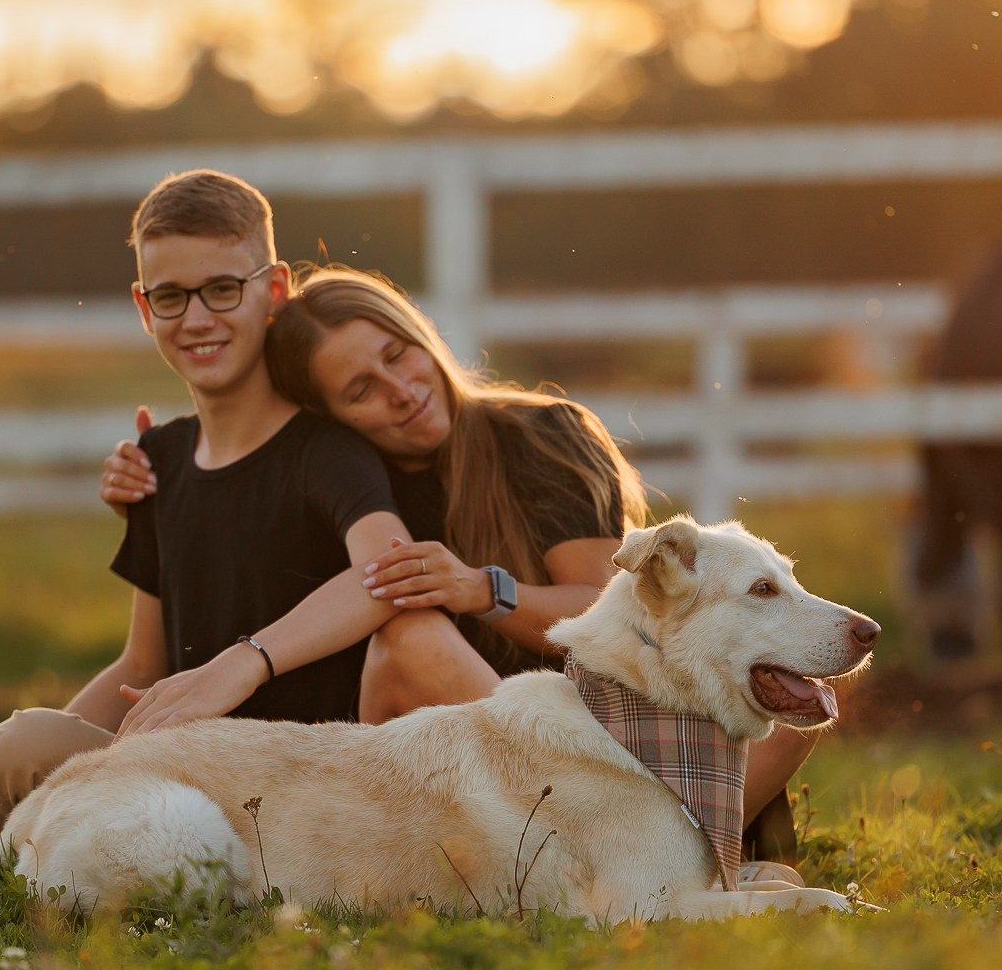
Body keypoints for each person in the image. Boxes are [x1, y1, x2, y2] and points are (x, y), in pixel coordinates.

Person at [0, 170, 470, 873]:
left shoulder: (326, 450)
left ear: (274, 290)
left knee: (25, 747)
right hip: (145, 766)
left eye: (223, 289)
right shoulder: (159, 458)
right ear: (143, 307)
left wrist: (240, 664)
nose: (198, 318)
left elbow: (386, 570)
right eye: (171, 296)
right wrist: (19, 755)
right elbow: (141, 664)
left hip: (255, 783)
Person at [100, 266, 817, 857]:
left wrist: (484, 590)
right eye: (359, 390)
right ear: (329, 418)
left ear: (422, 335)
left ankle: (667, 843)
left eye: (397, 354)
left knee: (807, 697)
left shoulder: (538, 435)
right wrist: (158, 477)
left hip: (591, 727)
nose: (400, 390)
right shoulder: (349, 491)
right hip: (455, 767)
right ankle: (603, 850)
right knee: (410, 639)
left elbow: (612, 615)